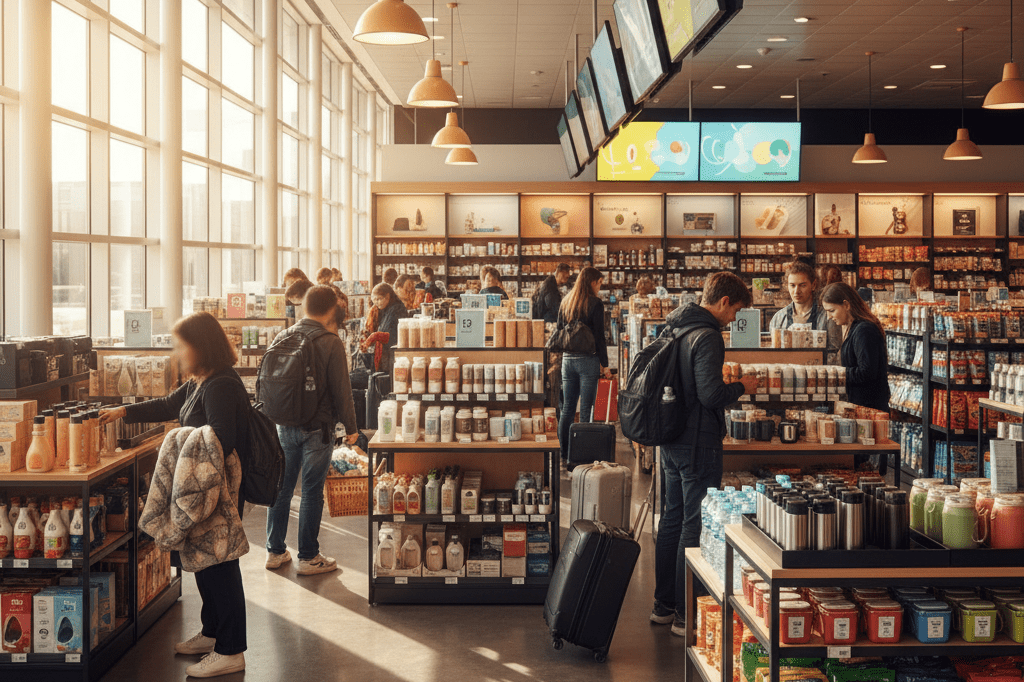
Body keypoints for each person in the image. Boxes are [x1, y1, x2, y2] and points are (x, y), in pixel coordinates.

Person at [99, 312, 252, 678]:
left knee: (221, 566)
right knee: (201, 560)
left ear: (202, 346)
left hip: (217, 494)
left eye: (182, 345)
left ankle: (232, 650)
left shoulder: (221, 386)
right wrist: (122, 410)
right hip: (202, 491)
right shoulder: (203, 381)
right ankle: (212, 632)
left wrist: (181, 440)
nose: (178, 353)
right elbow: (169, 405)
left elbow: (220, 439)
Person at [651, 272, 758, 635]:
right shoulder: (708, 335)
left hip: (670, 436)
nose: (733, 320)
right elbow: (710, 394)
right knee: (693, 524)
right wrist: (742, 386)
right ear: (724, 301)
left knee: (671, 518)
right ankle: (685, 614)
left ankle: (663, 605)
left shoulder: (676, 327)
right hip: (697, 441)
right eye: (735, 311)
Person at [265, 286, 360, 577]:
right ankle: (308, 556)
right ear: (332, 308)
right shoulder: (330, 342)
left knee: (281, 489)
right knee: (311, 492)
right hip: (317, 428)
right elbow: (342, 391)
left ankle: (275, 551)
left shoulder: (283, 336)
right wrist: (352, 429)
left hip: (284, 424)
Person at [555, 267, 610, 465]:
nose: (600, 287)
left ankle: (564, 453)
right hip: (588, 360)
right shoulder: (595, 303)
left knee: (568, 407)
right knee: (586, 408)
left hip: (568, 360)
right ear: (592, 282)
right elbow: (599, 337)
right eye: (599, 283)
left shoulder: (566, 301)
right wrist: (605, 365)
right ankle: (581, 456)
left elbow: (559, 331)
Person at [821, 282, 891, 413]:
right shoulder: (854, 328)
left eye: (831, 311)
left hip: (869, 411)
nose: (829, 317)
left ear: (846, 305)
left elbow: (867, 372)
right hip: (862, 408)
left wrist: (835, 373)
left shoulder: (864, 330)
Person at [769, 260, 830, 332]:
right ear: (787, 286)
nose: (796, 291)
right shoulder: (779, 318)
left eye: (802, 285)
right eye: (792, 285)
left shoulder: (826, 316)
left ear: (813, 285)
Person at [360, 283, 410, 370]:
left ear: (387, 296)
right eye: (374, 300)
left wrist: (374, 336)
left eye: (379, 299)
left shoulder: (397, 310)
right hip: (386, 359)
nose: (376, 303)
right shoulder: (385, 310)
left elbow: (393, 338)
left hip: (394, 360)